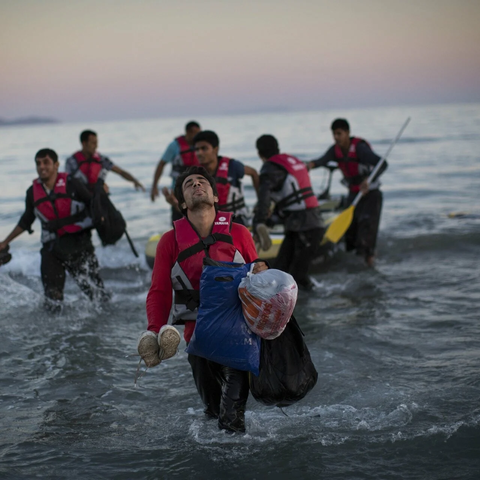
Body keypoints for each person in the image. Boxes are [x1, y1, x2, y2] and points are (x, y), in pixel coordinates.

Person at [143, 165, 267, 433]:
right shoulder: (169, 242)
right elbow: (159, 292)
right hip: (198, 342)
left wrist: (263, 270)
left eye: (202, 182)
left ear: (215, 197)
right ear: (182, 203)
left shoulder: (240, 234)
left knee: (231, 424)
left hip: (239, 341)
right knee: (212, 415)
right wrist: (154, 331)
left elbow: (259, 283)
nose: (196, 185)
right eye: (189, 184)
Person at [0, 149, 109, 312]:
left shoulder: (73, 184)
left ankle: (102, 327)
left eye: (46, 162)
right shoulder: (32, 193)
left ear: (56, 165)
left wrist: (102, 196)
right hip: (52, 250)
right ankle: (57, 336)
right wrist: (5, 242)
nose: (41, 167)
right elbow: (26, 220)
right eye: (38, 163)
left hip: (79, 246)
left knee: (97, 295)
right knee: (53, 300)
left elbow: (93, 206)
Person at [307, 118, 387, 266]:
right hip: (353, 193)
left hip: (371, 194)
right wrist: (309, 165)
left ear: (347, 133)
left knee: (366, 227)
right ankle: (356, 262)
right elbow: (322, 160)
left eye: (339, 134)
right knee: (351, 230)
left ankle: (370, 261)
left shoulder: (360, 148)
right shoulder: (335, 150)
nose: (336, 137)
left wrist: (369, 180)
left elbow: (383, 164)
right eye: (334, 134)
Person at [253, 135, 324, 291]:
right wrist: (271, 220)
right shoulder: (291, 161)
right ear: (277, 148)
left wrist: (259, 223)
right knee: (280, 271)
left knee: (297, 276)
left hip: (304, 226)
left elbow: (263, 199)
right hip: (309, 223)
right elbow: (289, 200)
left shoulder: (269, 168)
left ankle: (313, 304)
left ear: (259, 154)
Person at [192, 130, 260, 226]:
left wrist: (260, 203)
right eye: (197, 149)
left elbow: (253, 173)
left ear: (215, 149)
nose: (199, 153)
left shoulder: (232, 167)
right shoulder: (196, 174)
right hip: (212, 222)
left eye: (204, 148)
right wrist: (175, 202)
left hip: (236, 219)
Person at [150, 121, 201, 223]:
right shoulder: (174, 146)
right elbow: (161, 164)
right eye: (194, 133)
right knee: (179, 221)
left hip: (198, 190)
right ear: (188, 132)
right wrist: (154, 186)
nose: (197, 136)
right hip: (179, 192)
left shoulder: (200, 146)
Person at [65, 130, 145, 192]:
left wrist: (135, 181)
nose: (96, 146)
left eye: (96, 143)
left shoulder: (101, 160)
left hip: (99, 197)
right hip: (80, 197)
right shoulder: (71, 161)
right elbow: (67, 182)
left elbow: (120, 172)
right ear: (84, 143)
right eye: (93, 143)